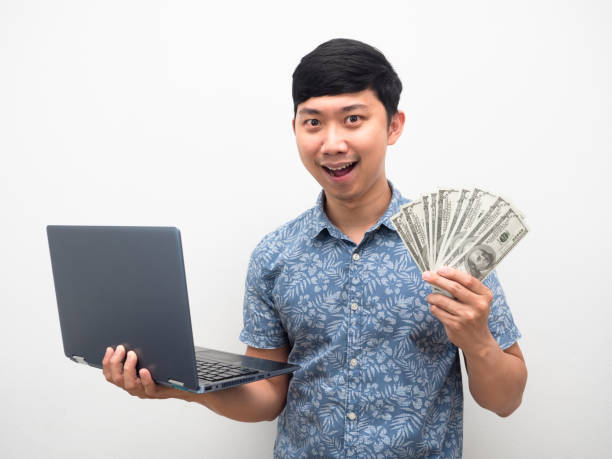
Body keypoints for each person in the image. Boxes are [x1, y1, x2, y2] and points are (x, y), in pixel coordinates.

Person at [102, 38, 527, 457]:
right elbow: (268, 395)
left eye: (353, 119)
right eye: (313, 122)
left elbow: (505, 401)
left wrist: (479, 342)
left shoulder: (452, 249)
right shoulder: (274, 255)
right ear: (295, 129)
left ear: (394, 125)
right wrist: (183, 387)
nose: (332, 143)